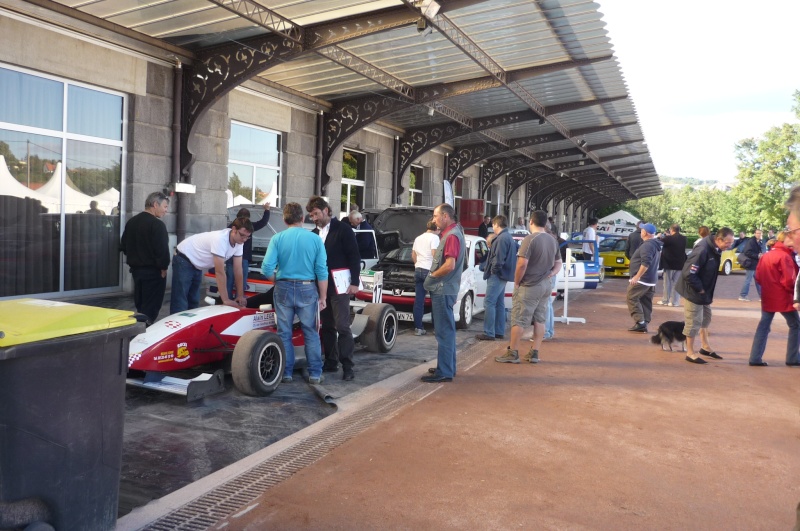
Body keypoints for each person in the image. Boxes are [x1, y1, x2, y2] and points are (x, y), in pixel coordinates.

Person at [261, 203, 328, 384]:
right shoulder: (315, 240)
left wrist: (276, 281)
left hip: (283, 288)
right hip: (308, 288)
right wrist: (323, 297)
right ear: (302, 219)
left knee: (284, 332)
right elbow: (322, 271)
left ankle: (286, 372)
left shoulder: (277, 238)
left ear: (284, 220)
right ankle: (315, 373)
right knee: (311, 332)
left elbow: (266, 267)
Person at [495, 210, 562, 365]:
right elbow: (558, 263)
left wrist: (517, 282)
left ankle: (513, 352)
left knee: (518, 318)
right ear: (545, 223)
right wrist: (551, 274)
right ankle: (534, 352)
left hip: (529, 284)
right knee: (540, 319)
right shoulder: (552, 240)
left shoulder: (529, 239)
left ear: (531, 221)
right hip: (546, 284)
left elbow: (522, 264)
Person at [307, 196, 361, 381]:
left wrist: (355, 282)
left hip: (340, 284)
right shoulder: (313, 234)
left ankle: (348, 366)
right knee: (327, 325)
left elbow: (354, 256)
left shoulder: (343, 229)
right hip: (320, 286)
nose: (314, 218)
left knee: (342, 325)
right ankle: (331, 361)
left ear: (326, 210)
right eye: (311, 215)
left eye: (315, 214)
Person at [676, 227, 735, 364]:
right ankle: (690, 353)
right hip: (694, 291)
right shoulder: (702, 249)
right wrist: (700, 289)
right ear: (719, 239)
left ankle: (705, 347)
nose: (730, 245)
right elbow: (688, 273)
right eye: (728, 242)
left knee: (706, 318)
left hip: (704, 292)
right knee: (693, 321)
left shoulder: (714, 248)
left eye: (731, 243)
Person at [170, 217, 253, 313]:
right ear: (234, 229)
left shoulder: (239, 242)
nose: (244, 239)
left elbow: (238, 270)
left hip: (196, 264)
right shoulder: (220, 239)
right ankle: (176, 325)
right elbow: (220, 272)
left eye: (247, 237)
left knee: (193, 301)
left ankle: (190, 325)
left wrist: (240, 295)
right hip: (184, 258)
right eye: (242, 235)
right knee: (180, 301)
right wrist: (225, 299)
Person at [421, 203, 465, 383]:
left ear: (445, 216)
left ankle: (445, 371)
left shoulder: (451, 236)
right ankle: (446, 366)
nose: (433, 220)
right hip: (446, 289)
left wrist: (432, 275)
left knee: (443, 331)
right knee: (446, 330)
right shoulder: (453, 233)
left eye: (435, 216)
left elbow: (449, 265)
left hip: (442, 289)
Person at [747, 231, 799, 367]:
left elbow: (758, 277)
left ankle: (755, 357)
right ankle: (793, 357)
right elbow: (789, 280)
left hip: (768, 295)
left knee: (764, 326)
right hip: (783, 296)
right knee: (795, 325)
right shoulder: (785, 256)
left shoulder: (767, 255)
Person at [120, 191, 170, 325]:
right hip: (153, 272)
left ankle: (138, 330)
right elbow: (162, 250)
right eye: (165, 207)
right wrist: (163, 268)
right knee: (151, 307)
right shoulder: (157, 225)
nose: (166, 211)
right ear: (155, 204)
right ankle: (144, 334)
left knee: (141, 304)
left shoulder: (132, 222)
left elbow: (123, 245)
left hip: (136, 271)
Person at [475, 215, 516, 341]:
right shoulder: (507, 237)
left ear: (496, 225)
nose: (492, 227)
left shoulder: (501, 239)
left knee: (489, 302)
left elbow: (498, 259)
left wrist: (493, 271)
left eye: (493, 225)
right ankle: (498, 330)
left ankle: (489, 332)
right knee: (499, 303)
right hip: (503, 274)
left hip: (497, 275)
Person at [225, 203, 270, 299]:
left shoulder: (230, 226)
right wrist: (267, 210)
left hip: (229, 257)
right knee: (241, 279)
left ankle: (228, 299)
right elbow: (263, 222)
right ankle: (239, 299)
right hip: (243, 257)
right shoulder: (249, 226)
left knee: (229, 279)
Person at [626, 223, 662, 332]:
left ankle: (640, 322)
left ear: (645, 232)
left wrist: (637, 276)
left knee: (631, 297)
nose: (640, 231)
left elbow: (645, 263)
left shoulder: (647, 245)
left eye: (642, 230)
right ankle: (644, 322)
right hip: (650, 279)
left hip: (643, 279)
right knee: (645, 301)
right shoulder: (654, 244)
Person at [411, 219, 440, 336]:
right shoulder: (435, 238)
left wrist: (417, 265)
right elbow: (435, 254)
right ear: (436, 228)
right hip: (430, 271)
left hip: (418, 270)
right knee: (435, 300)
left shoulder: (418, 238)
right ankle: (436, 328)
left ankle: (418, 328)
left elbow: (413, 255)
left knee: (419, 301)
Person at [658, 224, 687, 307]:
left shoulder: (668, 238)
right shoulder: (684, 239)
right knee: (676, 284)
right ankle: (675, 302)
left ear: (671, 230)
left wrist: (661, 236)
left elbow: (662, 241)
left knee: (667, 283)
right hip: (680, 264)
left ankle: (665, 300)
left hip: (669, 264)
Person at [738, 229, 764, 302]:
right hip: (751, 263)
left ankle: (762, 296)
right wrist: (757, 255)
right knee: (748, 280)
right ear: (754, 234)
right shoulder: (751, 241)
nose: (759, 235)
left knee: (758, 280)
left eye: (760, 233)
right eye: (758, 233)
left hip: (755, 264)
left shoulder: (758, 242)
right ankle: (743, 295)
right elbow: (747, 252)